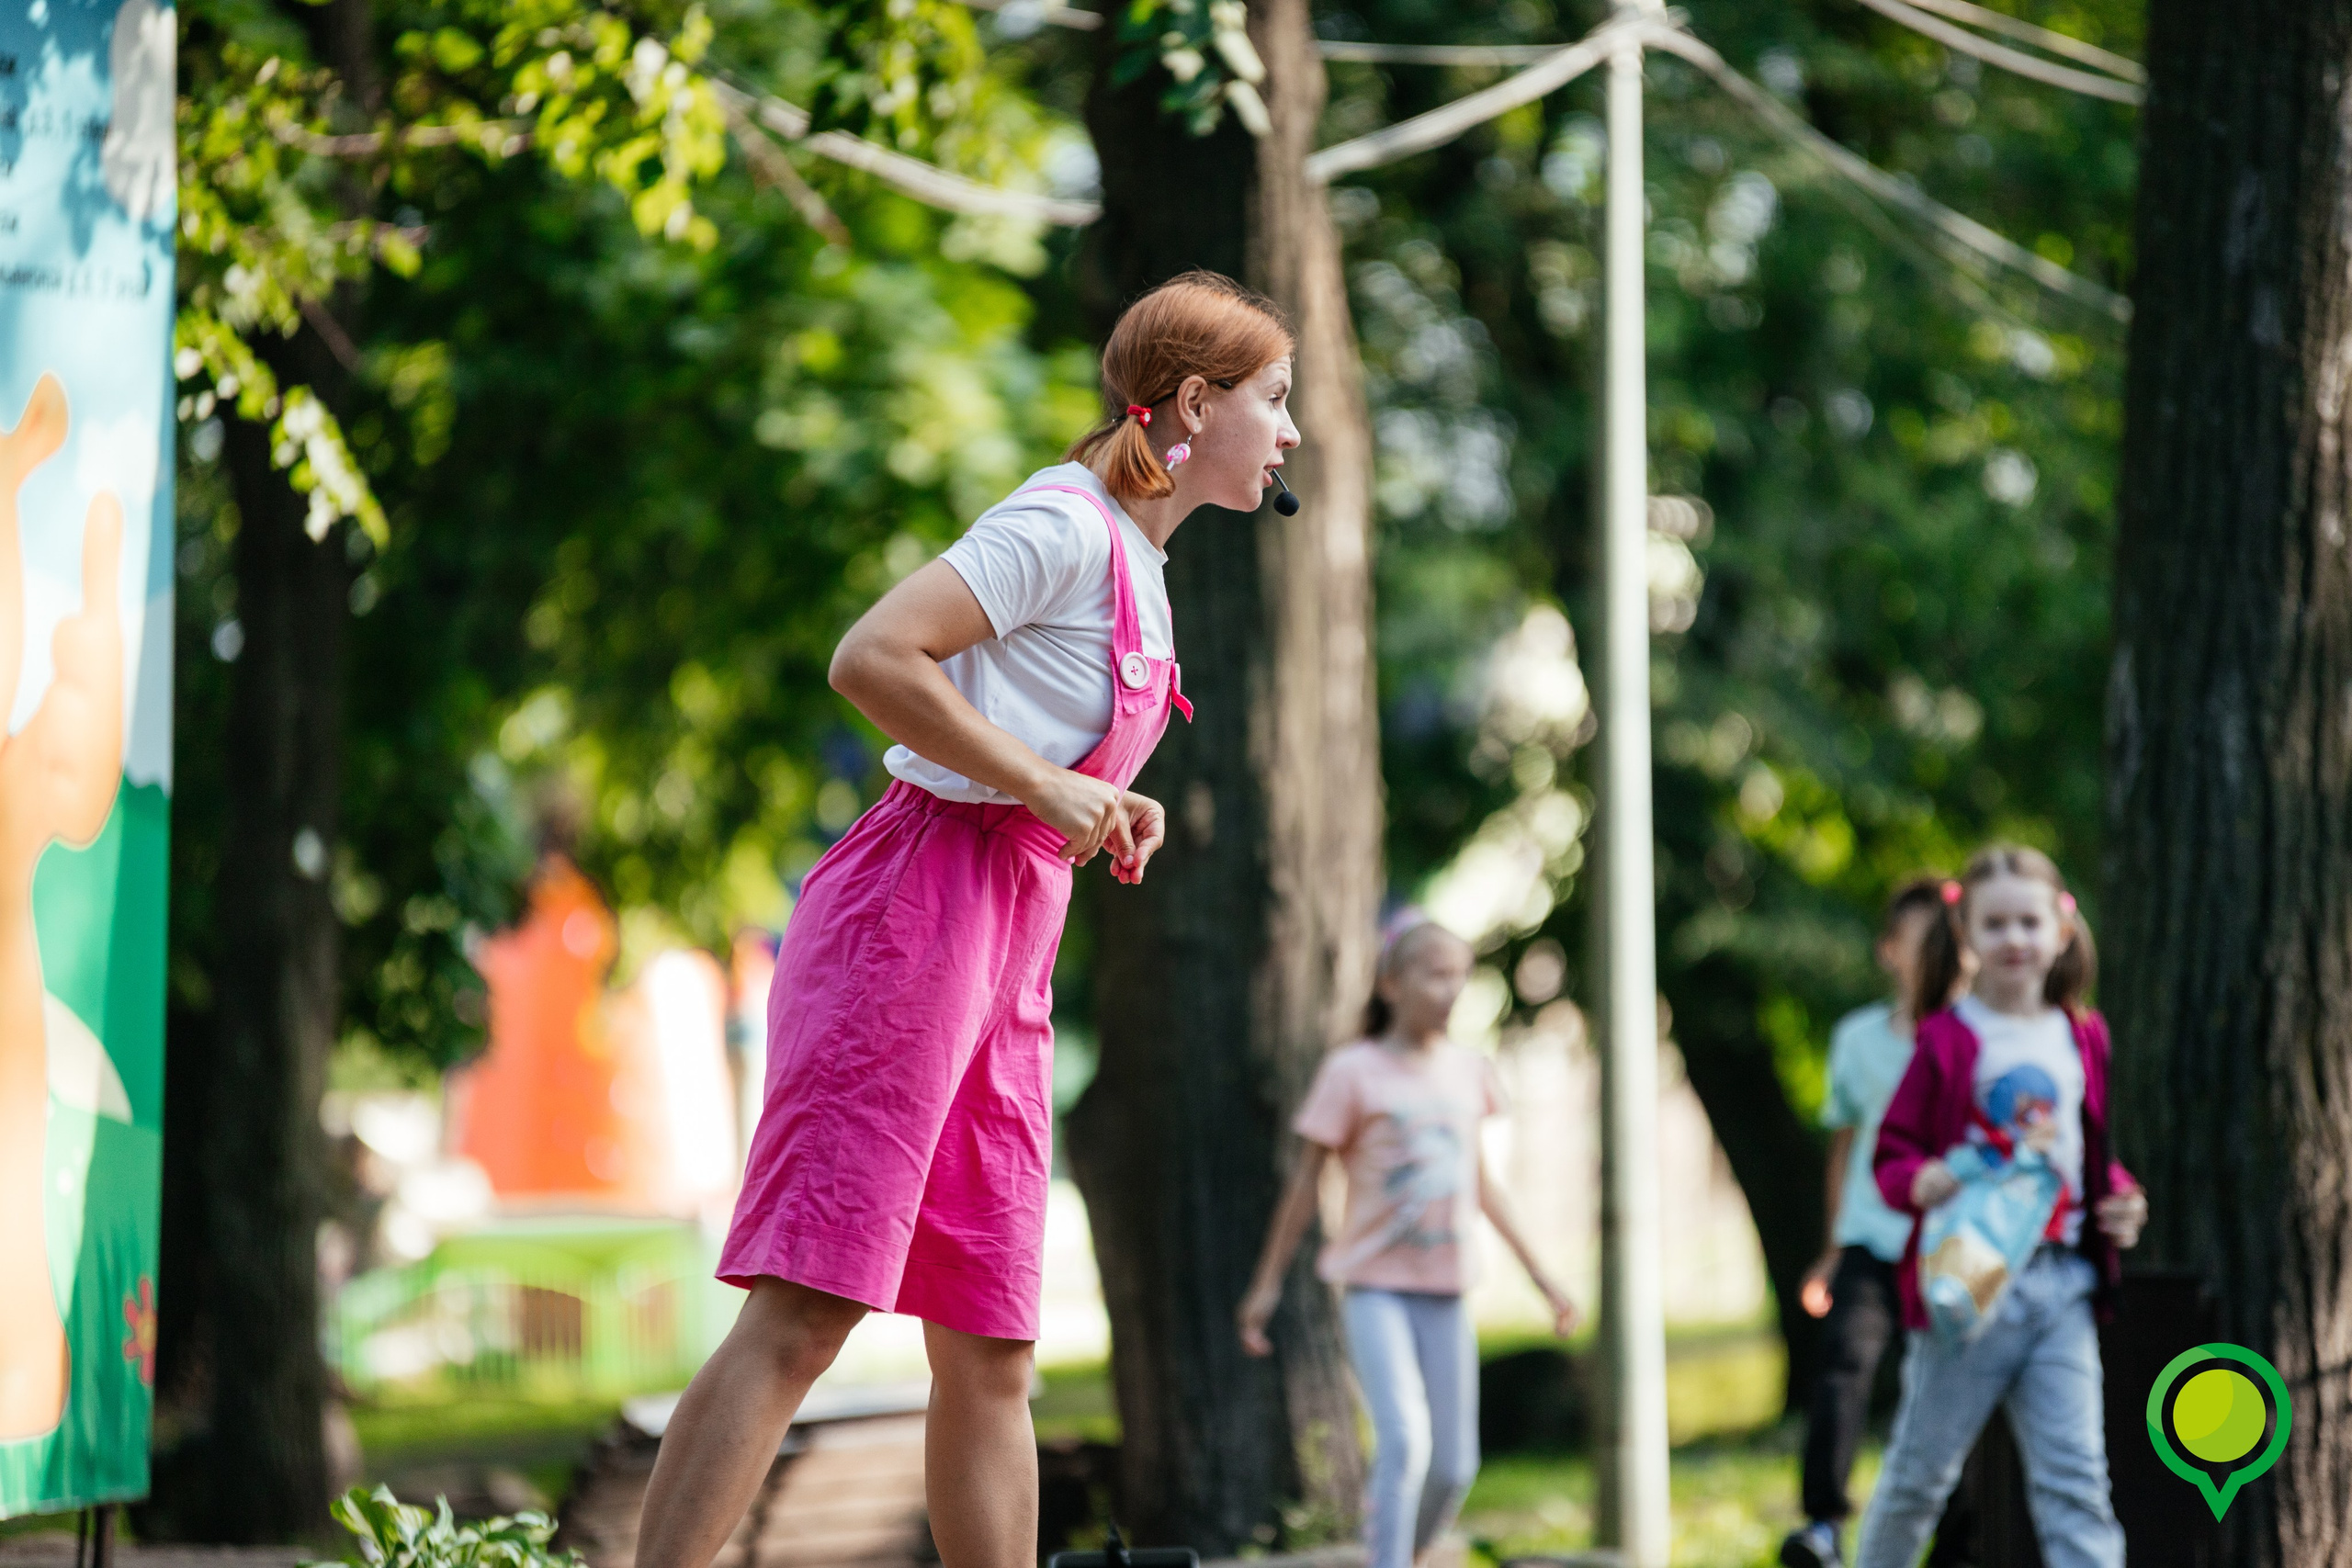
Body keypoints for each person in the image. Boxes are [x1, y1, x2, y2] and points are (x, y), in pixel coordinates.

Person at [632, 270, 1301, 1568]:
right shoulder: (1060, 519)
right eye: (1273, 400)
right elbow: (873, 655)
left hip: (1012, 935)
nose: (1287, 434)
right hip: (914, 909)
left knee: (993, 1341)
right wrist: (1049, 782)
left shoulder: (1143, 565)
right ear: (1196, 402)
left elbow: (1039, 736)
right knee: (809, 1305)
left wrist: (1097, 800)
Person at [1236, 918, 1579, 1568]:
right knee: (1404, 1440)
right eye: (1435, 973)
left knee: (1455, 1465)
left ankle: (1409, 1554)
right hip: (1375, 1287)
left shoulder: (1469, 1071)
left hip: (1446, 1287)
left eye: (1461, 975)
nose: (1451, 989)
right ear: (1391, 983)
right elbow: (1305, 1184)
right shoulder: (1352, 1071)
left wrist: (1544, 1276)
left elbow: (1483, 1184)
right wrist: (1266, 1285)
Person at [1852, 847, 2149, 1568]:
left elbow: (2083, 1152)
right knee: (1919, 1479)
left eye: (2029, 921)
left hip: (2062, 1290)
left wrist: (2123, 1200)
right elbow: (1892, 1154)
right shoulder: (1948, 1039)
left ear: (2061, 926)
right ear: (1967, 936)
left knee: (2077, 1482)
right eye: (1995, 924)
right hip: (1969, 1289)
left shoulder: (2082, 1034)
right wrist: (1917, 1178)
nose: (2015, 939)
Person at [1780, 877, 1955, 1568]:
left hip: (1949, 1245)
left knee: (1948, 1383)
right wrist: (1830, 1249)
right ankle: (1823, 1522)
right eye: (1922, 941)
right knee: (1843, 1367)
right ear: (1889, 951)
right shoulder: (1856, 1037)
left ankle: (1958, 1536)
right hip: (1870, 1235)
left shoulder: (1969, 1038)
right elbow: (1844, 1143)